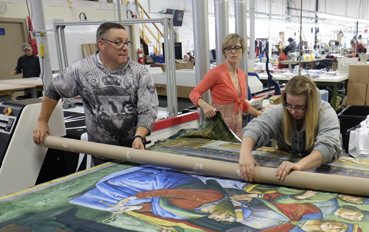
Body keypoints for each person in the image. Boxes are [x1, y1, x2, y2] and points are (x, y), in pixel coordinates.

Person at [32, 21, 159, 164]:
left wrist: (139, 137)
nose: (124, 48)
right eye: (118, 42)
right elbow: (53, 89)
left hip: (134, 150)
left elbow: (148, 110)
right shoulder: (81, 70)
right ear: (101, 44)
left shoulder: (139, 73)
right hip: (99, 154)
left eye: (126, 42)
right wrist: (42, 121)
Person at [239, 75, 342, 182]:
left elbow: (327, 147)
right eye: (289, 105)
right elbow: (257, 126)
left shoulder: (326, 113)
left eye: (299, 107)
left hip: (320, 175)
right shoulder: (283, 110)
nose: (292, 111)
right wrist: (245, 154)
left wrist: (299, 166)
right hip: (291, 171)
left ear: (310, 104)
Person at [189, 33, 262, 138]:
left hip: (237, 128)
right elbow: (193, 93)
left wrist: (258, 114)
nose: (233, 51)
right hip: (219, 128)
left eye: (237, 48)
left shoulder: (241, 74)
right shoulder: (216, 73)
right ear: (224, 52)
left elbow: (241, 103)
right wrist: (204, 105)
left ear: (242, 51)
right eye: (229, 48)